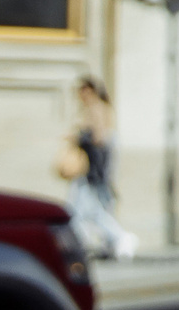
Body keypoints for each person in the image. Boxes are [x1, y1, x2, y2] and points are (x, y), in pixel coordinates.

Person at [58, 77, 137, 261]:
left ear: (91, 91)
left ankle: (119, 238)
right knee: (82, 209)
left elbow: (99, 139)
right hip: (92, 170)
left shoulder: (96, 108)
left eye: (83, 91)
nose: (81, 95)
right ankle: (93, 243)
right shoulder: (98, 108)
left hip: (91, 170)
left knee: (84, 209)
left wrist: (79, 137)